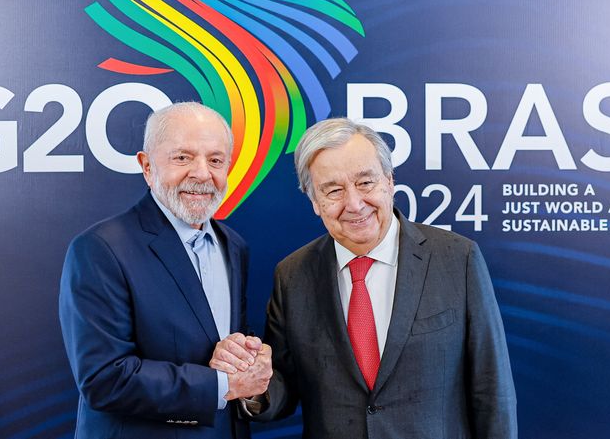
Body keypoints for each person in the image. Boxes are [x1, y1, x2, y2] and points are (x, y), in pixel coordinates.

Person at [212, 118, 517, 438]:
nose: (354, 204)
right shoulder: (292, 276)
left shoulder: (457, 259)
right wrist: (252, 382)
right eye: (333, 190)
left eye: (365, 183)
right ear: (315, 202)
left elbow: (491, 393)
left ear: (389, 181)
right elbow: (284, 390)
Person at [59, 102, 271, 439]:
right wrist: (224, 384)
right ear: (146, 166)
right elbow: (104, 379)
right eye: (183, 157)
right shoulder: (99, 249)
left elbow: (226, 349)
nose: (202, 174)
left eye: (215, 160)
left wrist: (250, 361)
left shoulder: (233, 245)